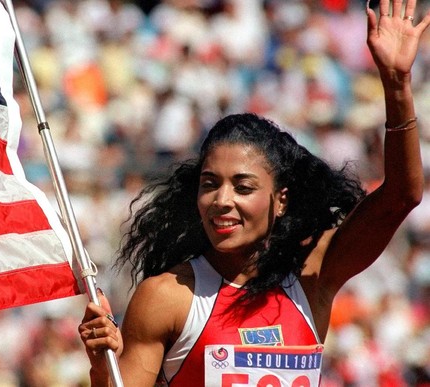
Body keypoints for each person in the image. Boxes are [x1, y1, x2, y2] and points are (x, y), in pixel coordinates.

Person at [78, 0, 430, 385]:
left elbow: (401, 196)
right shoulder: (167, 297)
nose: (222, 200)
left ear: (280, 200)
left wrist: (397, 85)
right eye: (210, 184)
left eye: (243, 187)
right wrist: (102, 367)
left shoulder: (313, 275)